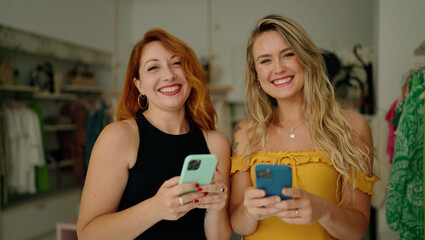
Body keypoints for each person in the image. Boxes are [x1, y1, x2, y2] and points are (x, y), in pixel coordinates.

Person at [229, 14, 379, 240]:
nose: (278, 68)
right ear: (256, 75)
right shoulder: (245, 132)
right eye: (265, 60)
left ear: (307, 59)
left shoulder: (352, 127)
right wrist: (249, 210)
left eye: (288, 54)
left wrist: (323, 210)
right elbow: (240, 227)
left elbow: (356, 231)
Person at [76, 28, 232, 240]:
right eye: (153, 68)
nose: (168, 75)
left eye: (176, 63)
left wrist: (216, 207)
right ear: (138, 85)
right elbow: (87, 234)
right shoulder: (119, 137)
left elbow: (218, 237)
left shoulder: (216, 143)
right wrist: (156, 209)